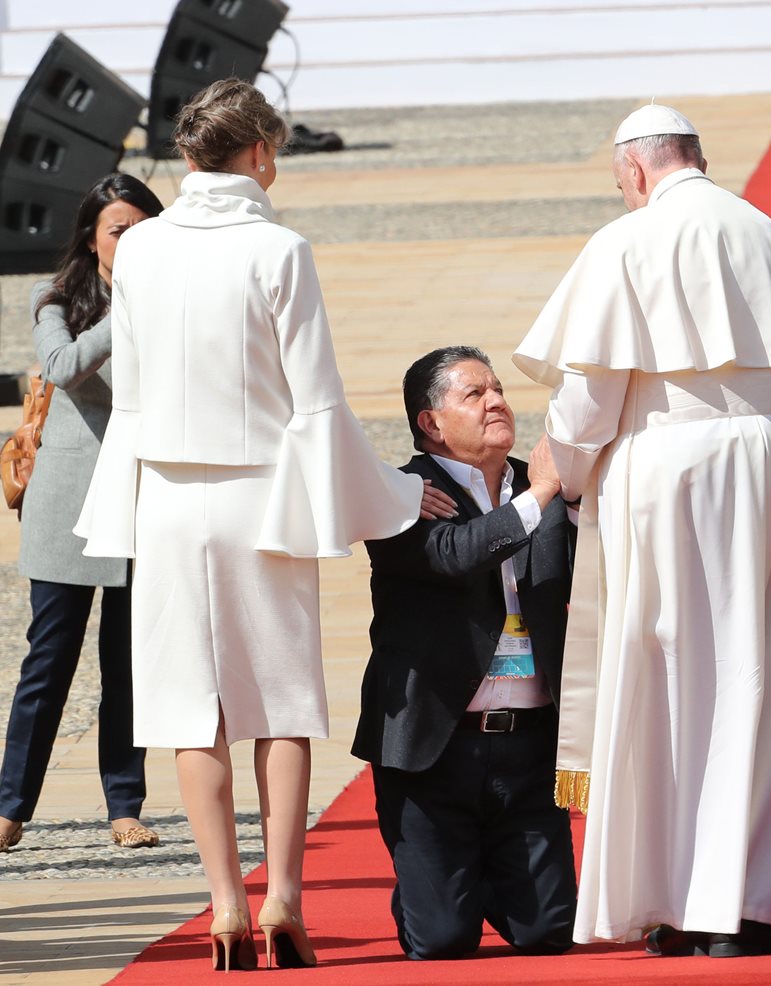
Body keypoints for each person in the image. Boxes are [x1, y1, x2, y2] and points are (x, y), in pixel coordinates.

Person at [73, 80, 452, 971]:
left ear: (189, 155)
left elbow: (132, 390)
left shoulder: (142, 248)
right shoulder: (279, 248)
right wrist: (396, 495)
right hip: (262, 496)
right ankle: (282, 895)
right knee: (280, 703)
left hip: (167, 495)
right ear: (261, 153)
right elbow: (316, 401)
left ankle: (223, 905)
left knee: (189, 708)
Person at [514, 104, 771, 957]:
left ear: (635, 171)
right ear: (696, 159)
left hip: (673, 465)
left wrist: (563, 472)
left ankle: (679, 899)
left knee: (667, 675)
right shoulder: (762, 228)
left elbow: (588, 401)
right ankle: (745, 901)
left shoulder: (626, 240)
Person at [352, 346, 577, 960]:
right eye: (474, 394)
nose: (496, 402)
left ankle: (485, 878)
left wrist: (574, 499)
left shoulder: (544, 488)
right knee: (443, 941)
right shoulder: (401, 493)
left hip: (530, 747)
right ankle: (440, 890)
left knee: (548, 933)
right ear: (431, 422)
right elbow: (452, 554)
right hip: (435, 748)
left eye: (498, 389)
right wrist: (542, 495)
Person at [0, 174, 164, 856]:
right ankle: (10, 806)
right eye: (118, 230)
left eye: (144, 229)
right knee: (49, 660)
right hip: (68, 500)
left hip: (142, 498)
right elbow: (63, 365)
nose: (132, 241)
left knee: (130, 664)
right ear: (92, 239)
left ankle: (125, 805)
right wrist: (125, 309)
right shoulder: (56, 297)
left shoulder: (176, 300)